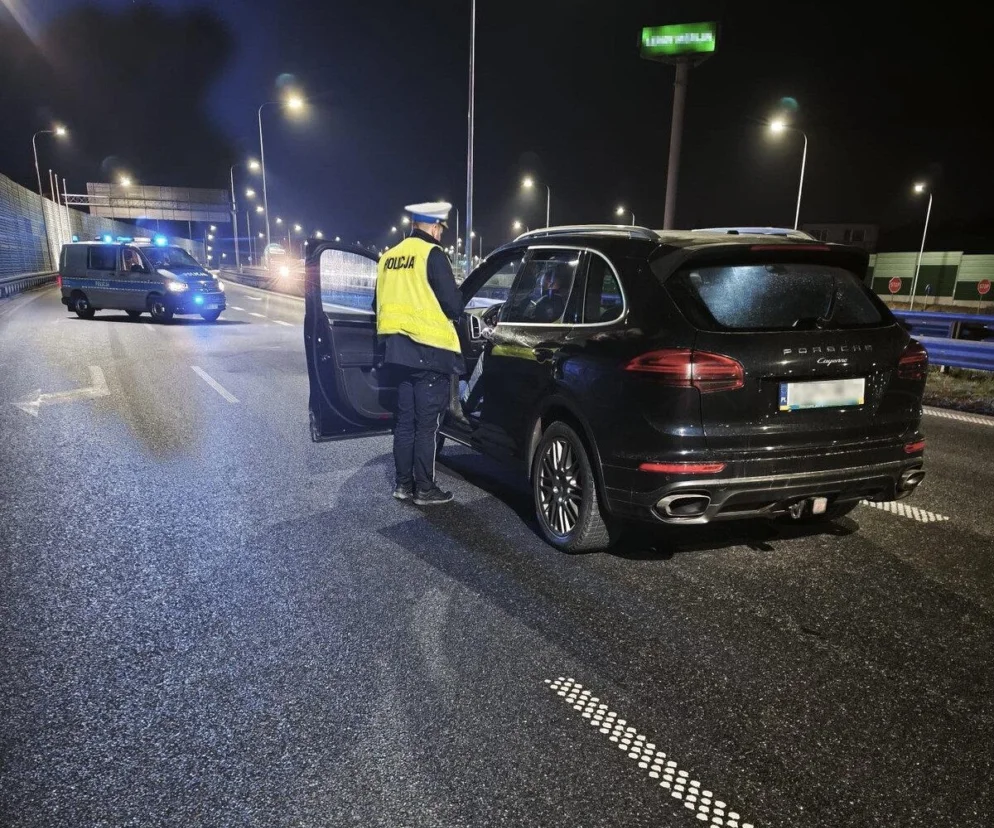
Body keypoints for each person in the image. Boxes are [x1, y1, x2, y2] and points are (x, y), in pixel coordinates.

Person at [375, 202, 465, 505]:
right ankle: (425, 489)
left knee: (404, 423)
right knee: (427, 426)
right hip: (429, 353)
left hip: (397, 354)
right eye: (441, 229)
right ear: (435, 227)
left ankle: (403, 485)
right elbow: (453, 305)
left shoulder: (388, 257)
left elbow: (377, 305)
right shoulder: (432, 254)